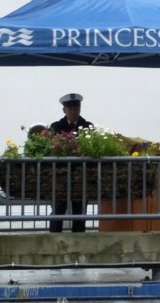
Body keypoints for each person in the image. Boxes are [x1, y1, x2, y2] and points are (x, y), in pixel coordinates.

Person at [49, 93, 94, 233]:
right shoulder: (56, 126)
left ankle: (79, 243)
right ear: (64, 110)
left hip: (81, 175)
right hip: (61, 176)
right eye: (70, 109)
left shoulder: (87, 126)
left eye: (76, 108)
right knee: (58, 210)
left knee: (79, 212)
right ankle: (54, 241)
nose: (74, 111)